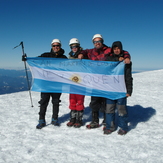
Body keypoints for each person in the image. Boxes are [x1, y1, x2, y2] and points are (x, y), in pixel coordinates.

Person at [78, 34, 112, 129]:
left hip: (106, 81)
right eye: (95, 41)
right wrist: (81, 54)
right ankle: (95, 121)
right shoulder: (90, 52)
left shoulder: (108, 50)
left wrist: (126, 58)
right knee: (94, 102)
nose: (97, 43)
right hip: (95, 82)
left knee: (105, 102)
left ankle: (106, 121)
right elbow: (83, 51)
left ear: (102, 41)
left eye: (99, 41)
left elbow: (122, 52)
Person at [36, 39, 67, 129]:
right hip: (46, 83)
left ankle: (55, 119)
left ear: (60, 46)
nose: (56, 47)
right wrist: (27, 59)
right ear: (51, 46)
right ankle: (41, 120)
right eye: (54, 46)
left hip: (57, 84)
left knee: (56, 102)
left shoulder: (64, 58)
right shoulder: (45, 55)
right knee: (43, 102)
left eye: (57, 45)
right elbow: (36, 60)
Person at [104, 41, 133, 135]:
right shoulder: (109, 58)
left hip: (121, 89)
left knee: (121, 110)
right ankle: (110, 127)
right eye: (114, 48)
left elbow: (128, 76)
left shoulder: (126, 61)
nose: (116, 50)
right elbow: (107, 63)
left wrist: (129, 90)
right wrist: (118, 59)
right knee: (109, 110)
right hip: (110, 89)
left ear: (121, 49)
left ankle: (123, 127)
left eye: (118, 48)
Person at [66, 38, 85, 128]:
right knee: (72, 100)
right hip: (72, 81)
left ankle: (79, 119)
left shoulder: (83, 54)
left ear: (78, 46)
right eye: (72, 46)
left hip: (81, 82)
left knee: (80, 100)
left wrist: (82, 55)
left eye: (76, 46)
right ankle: (72, 118)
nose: (74, 48)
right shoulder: (70, 57)